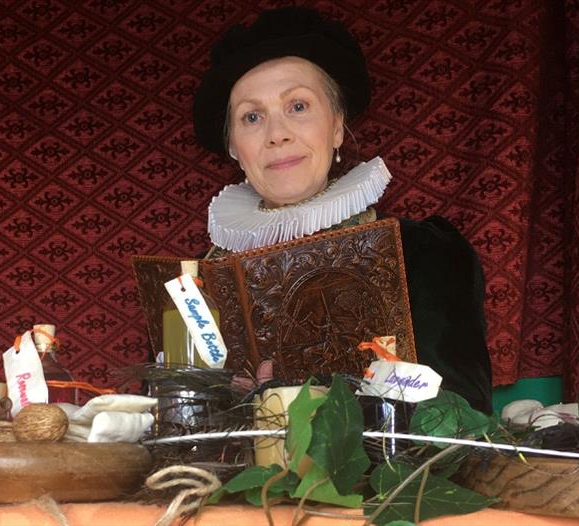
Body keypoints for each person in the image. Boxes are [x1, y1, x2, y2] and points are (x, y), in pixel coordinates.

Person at [193, 6, 493, 413]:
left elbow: (462, 417)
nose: (277, 134)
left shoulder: (421, 253)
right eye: (252, 117)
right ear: (234, 149)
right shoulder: (195, 286)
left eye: (298, 107)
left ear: (336, 125)